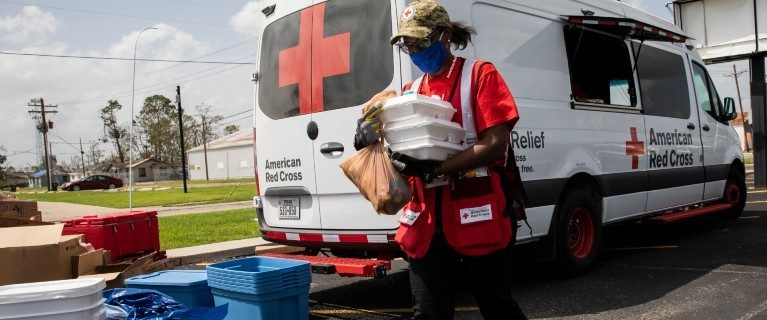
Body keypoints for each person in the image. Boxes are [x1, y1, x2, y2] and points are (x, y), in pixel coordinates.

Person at [355, 1, 528, 319]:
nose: (414, 49)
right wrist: (370, 139)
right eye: (407, 44)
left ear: (445, 35)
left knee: (496, 306)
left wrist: (438, 169)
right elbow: (399, 154)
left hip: (476, 211)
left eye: (420, 41)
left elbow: (495, 145)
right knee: (429, 312)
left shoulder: (479, 75)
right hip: (425, 220)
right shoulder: (408, 92)